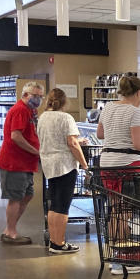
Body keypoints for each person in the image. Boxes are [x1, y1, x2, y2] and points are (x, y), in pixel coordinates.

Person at [97, 75, 140, 274]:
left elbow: (101, 134)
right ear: (139, 92)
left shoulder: (108, 107)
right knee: (123, 211)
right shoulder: (135, 112)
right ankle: (121, 261)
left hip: (107, 162)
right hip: (127, 165)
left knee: (115, 209)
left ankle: (116, 256)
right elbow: (139, 144)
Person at [37, 88, 88, 254]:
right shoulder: (66, 117)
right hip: (65, 166)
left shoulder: (43, 117)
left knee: (54, 204)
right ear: (64, 102)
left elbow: (55, 139)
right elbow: (72, 144)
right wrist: (85, 165)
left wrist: (77, 141)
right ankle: (59, 244)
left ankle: (54, 240)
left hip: (49, 165)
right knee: (63, 206)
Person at [0, 82, 43, 244]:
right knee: (15, 197)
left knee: (27, 194)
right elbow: (16, 136)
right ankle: (10, 232)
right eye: (35, 96)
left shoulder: (30, 111)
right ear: (25, 95)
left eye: (40, 96)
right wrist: (36, 151)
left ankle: (10, 228)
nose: (38, 99)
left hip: (25, 163)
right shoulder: (20, 110)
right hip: (14, 162)